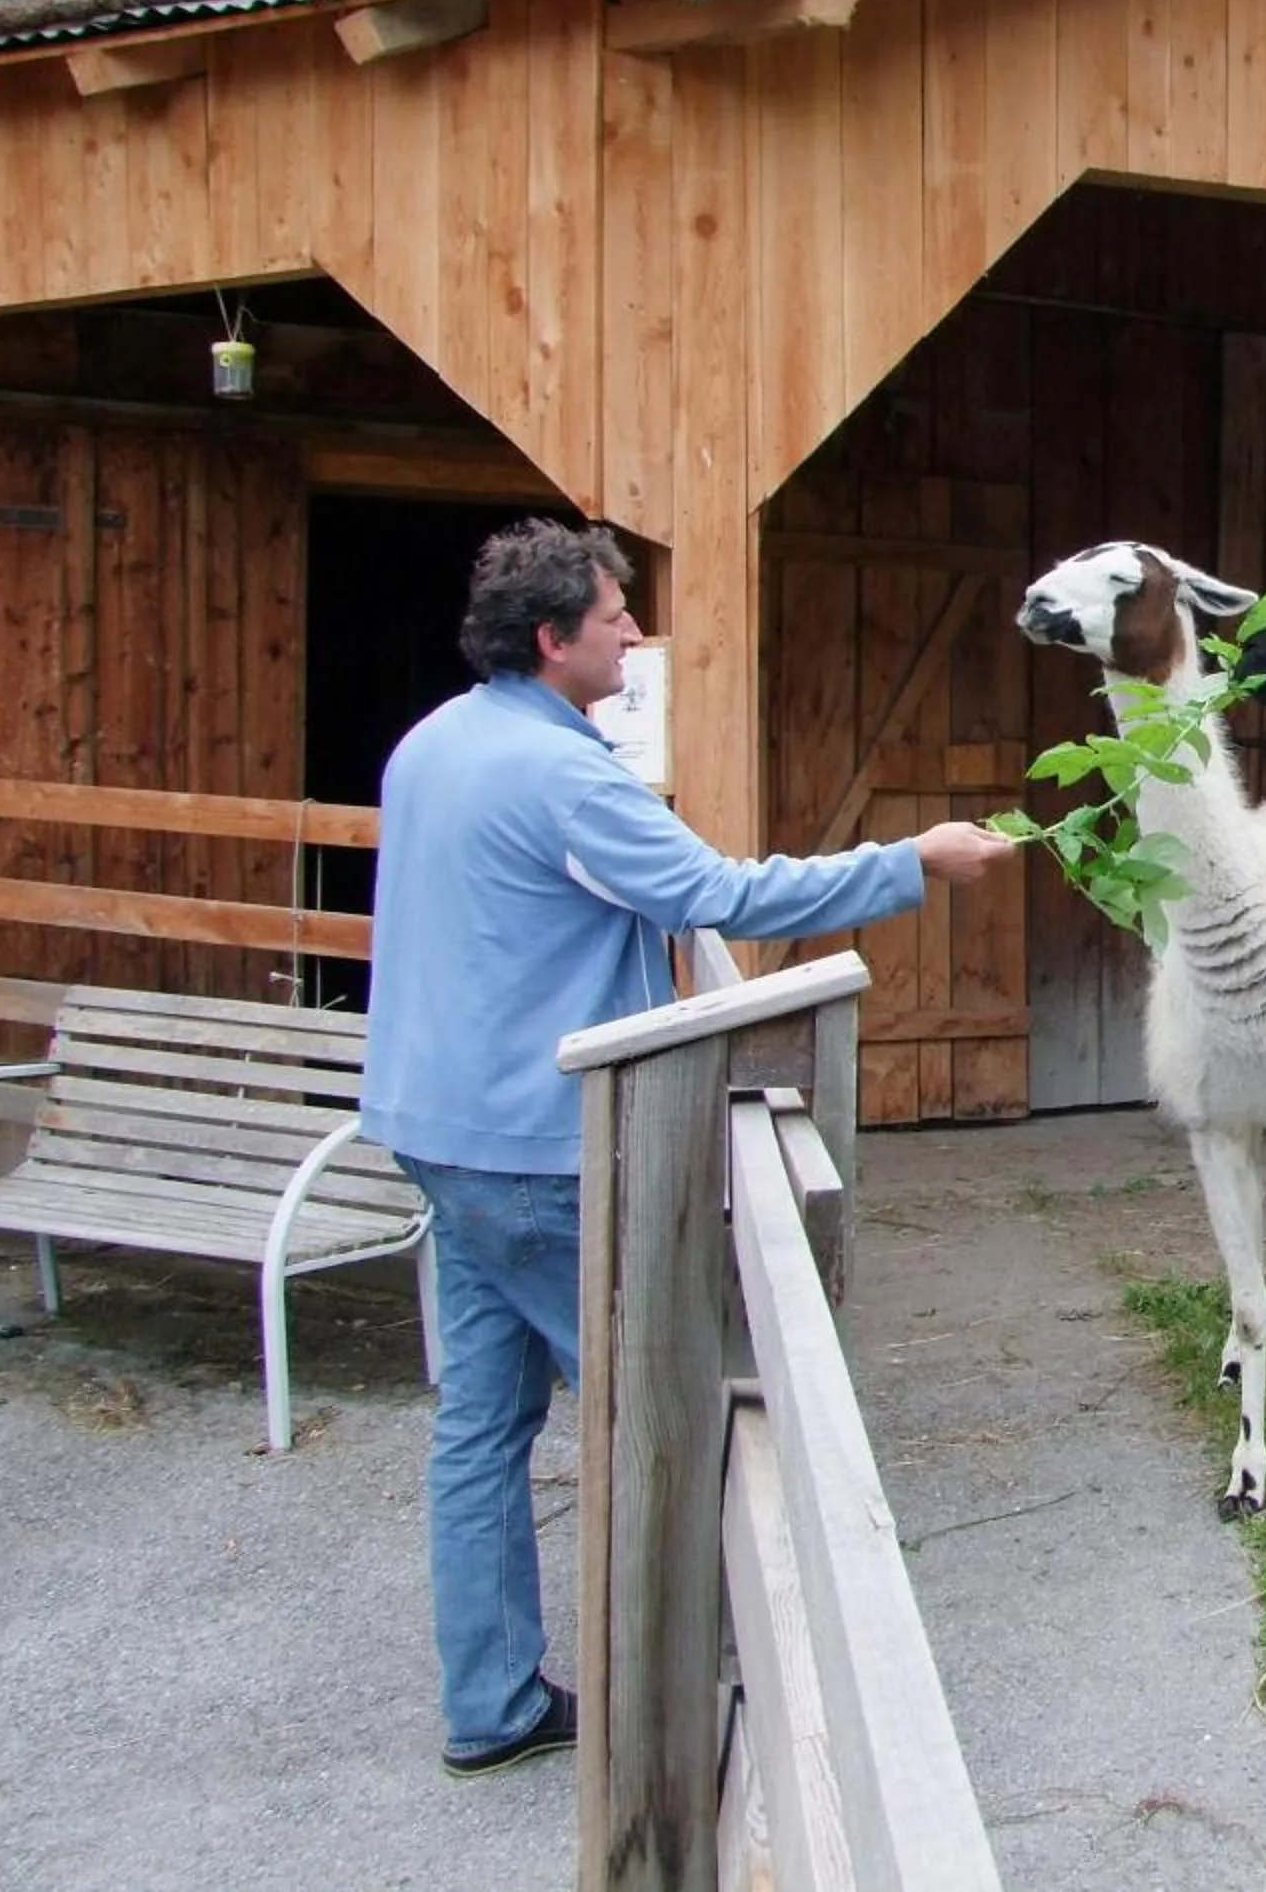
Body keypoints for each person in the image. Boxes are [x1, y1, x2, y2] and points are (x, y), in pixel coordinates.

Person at [357, 518, 1013, 1778]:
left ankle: (492, 1701)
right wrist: (914, 862)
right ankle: (711, 1695)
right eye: (612, 616)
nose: (631, 633)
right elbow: (728, 896)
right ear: (553, 640)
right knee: (664, 1411)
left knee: (481, 1425)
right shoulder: (564, 778)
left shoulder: (433, 744)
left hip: (433, 1129)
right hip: (538, 1148)